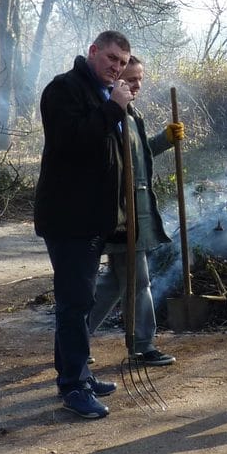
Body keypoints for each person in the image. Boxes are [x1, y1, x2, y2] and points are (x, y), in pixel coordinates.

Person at [35, 30, 134, 420]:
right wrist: (114, 109)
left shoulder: (102, 95)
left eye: (123, 62)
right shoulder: (64, 89)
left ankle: (80, 373)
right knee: (74, 304)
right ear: (92, 52)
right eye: (111, 58)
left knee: (82, 300)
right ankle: (73, 386)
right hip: (68, 218)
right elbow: (70, 142)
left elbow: (110, 156)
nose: (116, 67)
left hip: (91, 220)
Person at [88, 56, 186, 367]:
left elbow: (138, 154)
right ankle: (143, 345)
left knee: (115, 283)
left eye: (140, 79)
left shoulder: (132, 114)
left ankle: (76, 335)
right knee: (138, 282)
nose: (137, 85)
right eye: (130, 80)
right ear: (115, 80)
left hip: (137, 214)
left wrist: (165, 140)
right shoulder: (111, 116)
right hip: (121, 216)